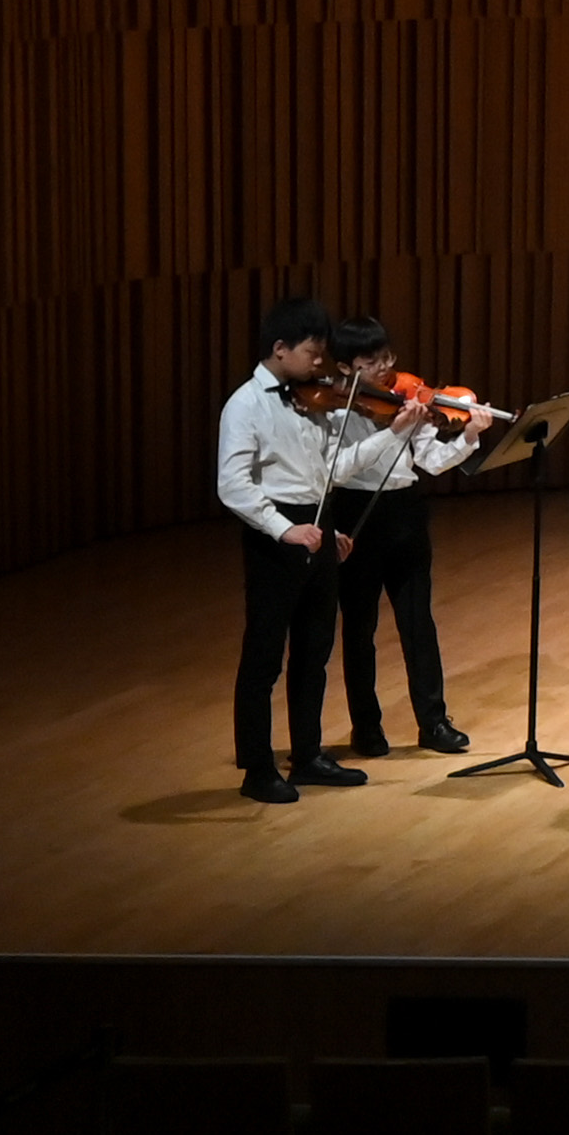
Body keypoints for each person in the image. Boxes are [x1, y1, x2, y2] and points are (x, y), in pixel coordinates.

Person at [215, 298, 359, 800]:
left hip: (315, 527)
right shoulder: (245, 405)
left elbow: (323, 470)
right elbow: (232, 485)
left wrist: (326, 526)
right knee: (264, 658)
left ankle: (308, 755)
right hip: (274, 537)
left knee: (314, 652)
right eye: (312, 353)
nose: (320, 364)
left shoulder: (307, 401)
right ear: (280, 350)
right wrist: (284, 529)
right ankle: (257, 769)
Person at [315, 317, 474, 758]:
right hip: (355, 512)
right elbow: (338, 470)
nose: (386, 367)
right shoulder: (331, 410)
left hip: (406, 510)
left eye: (387, 357)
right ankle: (366, 726)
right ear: (346, 367)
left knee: (418, 622)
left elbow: (433, 460)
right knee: (360, 627)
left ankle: (434, 721)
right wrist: (393, 432)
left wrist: (470, 438)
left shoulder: (404, 399)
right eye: (372, 361)